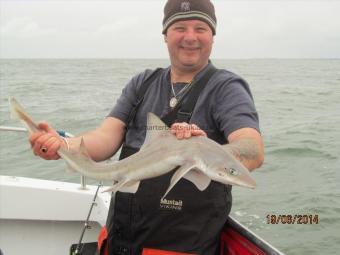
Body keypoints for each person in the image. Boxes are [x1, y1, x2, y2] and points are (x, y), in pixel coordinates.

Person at [29, 0, 264, 254]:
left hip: (181, 247)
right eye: (180, 28)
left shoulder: (226, 88)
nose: (190, 37)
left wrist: (206, 149)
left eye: (200, 28)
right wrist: (63, 145)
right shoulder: (143, 83)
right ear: (165, 35)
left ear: (213, 36)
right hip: (121, 240)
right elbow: (106, 135)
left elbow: (252, 148)